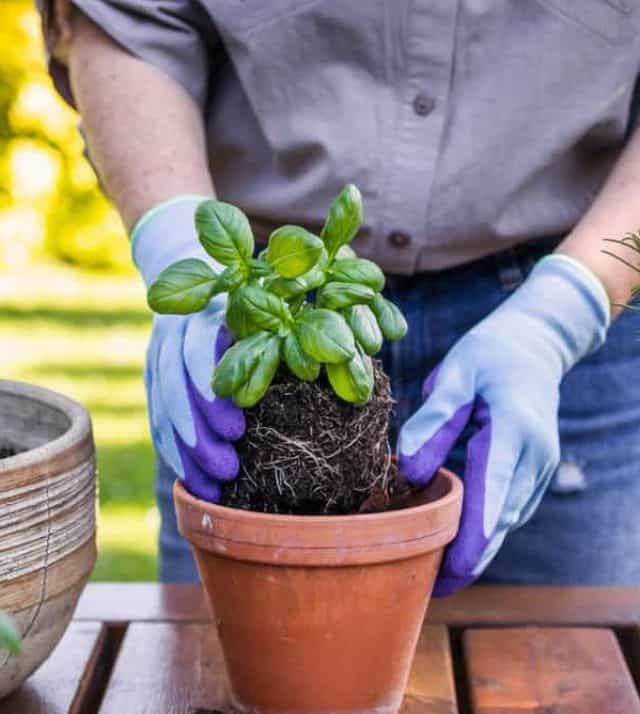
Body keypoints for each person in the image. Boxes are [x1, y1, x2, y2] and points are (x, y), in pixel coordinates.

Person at [40, 1, 640, 592]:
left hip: (574, 307)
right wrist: (177, 244)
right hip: (261, 302)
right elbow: (127, 18)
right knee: (219, 672)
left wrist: (566, 310)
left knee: (564, 665)